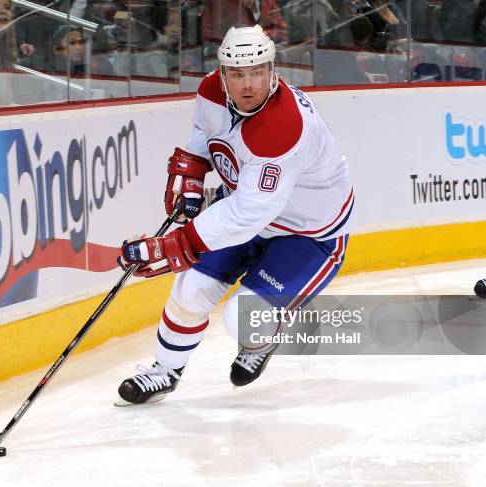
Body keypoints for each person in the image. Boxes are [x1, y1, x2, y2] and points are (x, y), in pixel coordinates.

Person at [115, 25, 354, 405]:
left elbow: (247, 214)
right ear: (222, 74)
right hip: (249, 211)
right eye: (238, 74)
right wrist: (192, 170)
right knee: (190, 291)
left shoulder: (283, 128)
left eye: (257, 72)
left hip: (308, 235)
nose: (248, 85)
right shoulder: (211, 90)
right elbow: (205, 131)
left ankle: (262, 339)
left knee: (243, 318)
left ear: (272, 71)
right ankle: (165, 371)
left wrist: (177, 243)